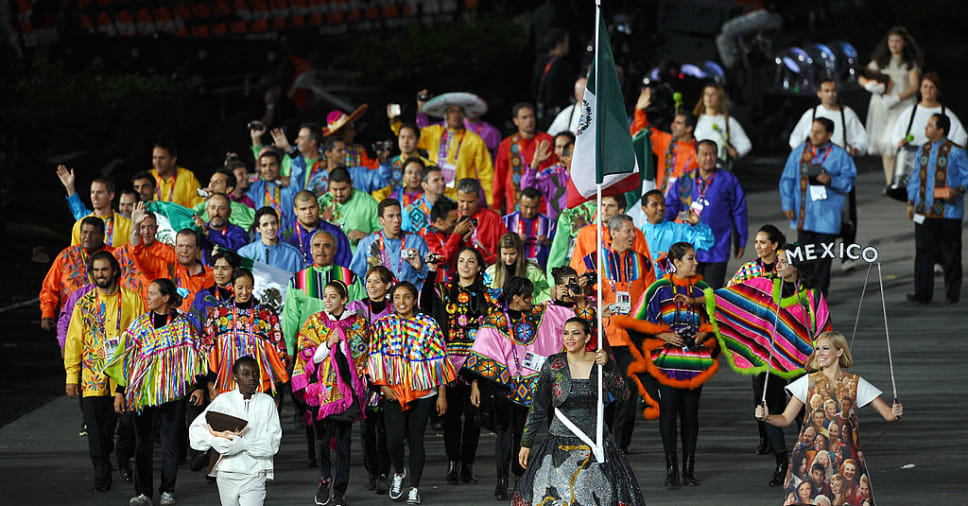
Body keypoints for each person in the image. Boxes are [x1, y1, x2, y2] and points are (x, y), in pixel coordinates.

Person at [716, 244, 832, 487]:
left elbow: (823, 328)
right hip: (772, 362)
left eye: (782, 261)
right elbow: (735, 297)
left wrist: (817, 354)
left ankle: (809, 460)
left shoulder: (811, 293)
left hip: (803, 363)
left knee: (804, 413)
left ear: (795, 266)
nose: (776, 266)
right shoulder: (766, 287)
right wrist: (701, 297)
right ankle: (781, 462)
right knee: (768, 409)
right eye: (777, 261)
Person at [755, 331, 904, 506]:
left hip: (846, 462)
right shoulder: (807, 382)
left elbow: (889, 415)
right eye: (817, 349)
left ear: (840, 352)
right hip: (808, 462)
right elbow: (785, 419)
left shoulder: (855, 383)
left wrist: (896, 412)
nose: (819, 353)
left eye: (826, 348)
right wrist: (766, 417)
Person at [464, 276, 576, 500]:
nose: (531, 300)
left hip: (531, 385)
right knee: (504, 433)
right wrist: (476, 384)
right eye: (527, 297)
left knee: (524, 435)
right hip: (503, 386)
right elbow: (481, 352)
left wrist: (573, 300)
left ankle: (519, 478)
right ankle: (501, 479)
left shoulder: (537, 314)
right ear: (515, 298)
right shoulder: (495, 320)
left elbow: (567, 317)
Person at [513, 318, 646, 506]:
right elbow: (538, 407)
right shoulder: (553, 365)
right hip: (558, 447)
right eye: (566, 333)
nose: (569, 338)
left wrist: (609, 366)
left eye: (576, 333)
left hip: (596, 443)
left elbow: (623, 394)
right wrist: (526, 443)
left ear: (587, 337)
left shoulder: (601, 363)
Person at [619, 242, 719, 488]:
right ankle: (671, 468)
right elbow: (635, 323)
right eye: (690, 259)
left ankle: (689, 467)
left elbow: (719, 320)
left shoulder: (703, 290)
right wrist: (663, 336)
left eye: (695, 259)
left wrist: (703, 336)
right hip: (666, 365)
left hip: (694, 363)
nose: (695, 263)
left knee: (690, 416)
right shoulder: (659, 289)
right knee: (668, 414)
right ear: (676, 263)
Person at [104, 278, 209, 506]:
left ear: (166, 298)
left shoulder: (183, 326)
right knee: (143, 444)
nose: (147, 296)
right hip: (143, 396)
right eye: (148, 292)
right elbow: (126, 362)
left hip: (173, 395)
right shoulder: (139, 326)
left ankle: (167, 491)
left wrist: (198, 386)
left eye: (152, 293)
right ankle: (143, 493)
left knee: (171, 444)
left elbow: (197, 358)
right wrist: (120, 392)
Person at [367, 282, 456, 505]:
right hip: (393, 392)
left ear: (414, 299)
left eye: (406, 297)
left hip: (423, 392)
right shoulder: (382, 325)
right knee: (394, 439)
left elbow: (439, 360)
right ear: (392, 300)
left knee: (416, 440)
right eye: (397, 297)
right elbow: (374, 357)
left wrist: (442, 395)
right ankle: (399, 473)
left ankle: (415, 487)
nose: (401, 302)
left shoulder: (429, 324)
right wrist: (383, 386)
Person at [573, 214, 656, 453]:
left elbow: (651, 296)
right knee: (603, 392)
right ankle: (603, 438)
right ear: (614, 233)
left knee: (628, 393)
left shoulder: (643, 262)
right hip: (604, 337)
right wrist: (596, 307)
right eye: (629, 231)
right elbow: (577, 293)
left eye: (633, 231)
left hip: (631, 338)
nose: (633, 235)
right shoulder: (593, 261)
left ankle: (620, 445)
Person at [64, 252, 144, 492]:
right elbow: (74, 340)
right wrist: (71, 375)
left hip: (125, 378)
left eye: (104, 270)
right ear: (91, 274)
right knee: (96, 431)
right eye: (96, 270)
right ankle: (101, 473)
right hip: (92, 377)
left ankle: (122, 458)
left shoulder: (132, 300)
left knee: (127, 426)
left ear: (115, 271)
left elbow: (142, 336)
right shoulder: (84, 303)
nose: (100, 275)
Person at [421, 247, 500, 485]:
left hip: (476, 363)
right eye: (461, 261)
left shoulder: (488, 296)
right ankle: (453, 463)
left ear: (479, 267)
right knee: (452, 417)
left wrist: (479, 375)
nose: (465, 265)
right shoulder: (443, 291)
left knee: (474, 417)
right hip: (448, 363)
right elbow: (425, 305)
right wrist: (431, 272)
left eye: (471, 261)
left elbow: (493, 332)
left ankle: (467, 466)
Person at [293, 281, 370, 506]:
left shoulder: (357, 322)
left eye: (333, 297)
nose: (328, 301)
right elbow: (307, 355)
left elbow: (361, 355)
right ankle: (325, 479)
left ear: (344, 299)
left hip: (346, 393)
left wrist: (343, 341)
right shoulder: (315, 321)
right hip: (320, 391)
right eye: (325, 296)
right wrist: (327, 344)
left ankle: (340, 489)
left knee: (344, 443)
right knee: (323, 440)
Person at [188, 356, 283, 506]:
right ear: (235, 377)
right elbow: (196, 429)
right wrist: (213, 440)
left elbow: (273, 441)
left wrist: (244, 445)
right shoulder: (223, 400)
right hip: (226, 472)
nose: (252, 378)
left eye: (255, 373)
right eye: (245, 374)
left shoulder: (267, 403)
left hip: (255, 473)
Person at [780, 118, 857, 296]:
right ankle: (803, 296)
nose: (813, 135)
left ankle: (820, 297)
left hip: (828, 218)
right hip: (805, 216)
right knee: (802, 259)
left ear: (829, 135)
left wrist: (831, 180)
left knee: (823, 260)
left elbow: (849, 181)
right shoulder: (800, 152)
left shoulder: (839, 155)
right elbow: (787, 179)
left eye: (819, 132)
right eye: (812, 131)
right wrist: (787, 203)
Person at [666, 139, 749, 289]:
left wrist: (741, 240)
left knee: (711, 293)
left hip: (717, 249)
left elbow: (739, 210)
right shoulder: (685, 181)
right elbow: (670, 208)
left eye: (712, 154)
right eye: (704, 154)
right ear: (696, 157)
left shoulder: (727, 179)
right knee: (688, 292)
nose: (709, 158)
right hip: (688, 250)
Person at [906, 113, 968, 304]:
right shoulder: (922, 150)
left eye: (930, 125)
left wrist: (956, 190)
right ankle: (922, 293)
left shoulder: (956, 151)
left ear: (940, 130)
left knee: (950, 252)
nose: (926, 128)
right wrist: (911, 202)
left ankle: (953, 291)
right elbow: (915, 177)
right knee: (923, 251)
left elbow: (967, 177)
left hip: (949, 211)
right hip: (924, 209)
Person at [202, 268, 289, 396]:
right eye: (240, 287)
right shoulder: (220, 314)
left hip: (260, 384)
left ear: (253, 287)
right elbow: (208, 347)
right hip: (227, 383)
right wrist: (211, 380)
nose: (244, 292)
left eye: (248, 287)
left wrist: (275, 387)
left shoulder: (265, 314)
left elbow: (278, 348)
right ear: (232, 287)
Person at [346, 266, 395, 494]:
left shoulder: (394, 309)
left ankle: (386, 471)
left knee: (386, 428)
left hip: (389, 377)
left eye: (378, 282)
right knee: (366, 428)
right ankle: (372, 472)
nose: (372, 286)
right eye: (369, 281)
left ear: (387, 286)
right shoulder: (356, 308)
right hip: (363, 378)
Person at [282, 230, 364, 355]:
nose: (321, 249)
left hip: (343, 348)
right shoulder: (298, 280)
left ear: (334, 250)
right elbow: (290, 319)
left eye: (327, 246)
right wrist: (289, 351)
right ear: (310, 250)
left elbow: (360, 313)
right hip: (308, 349)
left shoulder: (349, 277)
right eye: (317, 245)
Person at [858, 26, 923, 184]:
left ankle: (904, 180)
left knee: (900, 142)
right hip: (882, 106)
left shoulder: (909, 64)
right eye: (891, 41)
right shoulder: (879, 62)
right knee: (886, 144)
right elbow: (862, 76)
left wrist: (897, 97)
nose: (894, 44)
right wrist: (868, 85)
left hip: (902, 105)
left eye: (898, 41)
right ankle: (889, 182)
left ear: (904, 44)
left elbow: (914, 86)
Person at [410, 93, 495, 203]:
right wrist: (396, 122)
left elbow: (486, 174)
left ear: (464, 115)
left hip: (462, 199)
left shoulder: (474, 140)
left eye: (459, 111)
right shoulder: (434, 132)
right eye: (452, 111)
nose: (456, 115)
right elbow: (411, 137)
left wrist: (492, 202)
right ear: (446, 115)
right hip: (434, 195)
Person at [129, 206, 215, 313]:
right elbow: (138, 251)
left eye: (189, 246)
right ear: (175, 247)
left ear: (198, 249)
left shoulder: (212, 275)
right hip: (170, 327)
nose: (184, 250)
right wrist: (135, 226)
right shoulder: (163, 268)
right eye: (181, 246)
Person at [40, 216, 110, 331]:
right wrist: (47, 313)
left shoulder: (114, 256)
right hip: (71, 322)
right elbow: (49, 286)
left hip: (105, 322)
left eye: (93, 233)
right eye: (84, 232)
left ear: (103, 236)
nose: (87, 237)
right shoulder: (66, 255)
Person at [351, 198, 430, 290]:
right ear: (381, 220)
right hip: (379, 300)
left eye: (399, 215)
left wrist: (419, 268)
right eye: (391, 216)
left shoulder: (416, 241)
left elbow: (429, 275)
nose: (397, 220)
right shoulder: (367, 243)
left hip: (409, 300)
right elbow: (355, 278)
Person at [631, 87, 700, 192]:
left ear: (689, 128)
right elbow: (644, 130)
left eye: (679, 123)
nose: (673, 125)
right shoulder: (666, 141)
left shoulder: (699, 151)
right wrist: (639, 110)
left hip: (686, 199)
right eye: (674, 122)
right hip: (662, 199)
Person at [493, 102, 556, 214]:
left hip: (544, 207)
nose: (529, 120)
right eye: (524, 117)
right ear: (515, 121)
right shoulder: (507, 144)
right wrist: (496, 205)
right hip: (515, 207)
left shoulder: (548, 141)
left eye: (531, 116)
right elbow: (499, 178)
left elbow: (558, 172)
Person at [638, 189, 714, 279]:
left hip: (673, 287)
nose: (660, 208)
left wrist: (697, 224)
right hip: (645, 288)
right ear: (644, 208)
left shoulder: (680, 230)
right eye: (655, 205)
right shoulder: (638, 234)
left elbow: (707, 242)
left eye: (662, 204)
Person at [568, 194, 652, 275]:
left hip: (627, 286)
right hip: (595, 287)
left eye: (610, 206)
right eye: (603, 205)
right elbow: (575, 266)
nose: (604, 210)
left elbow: (646, 268)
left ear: (620, 210)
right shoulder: (586, 233)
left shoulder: (634, 233)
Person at [892, 73, 968, 152]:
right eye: (925, 86)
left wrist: (948, 149)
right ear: (920, 89)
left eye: (932, 87)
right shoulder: (910, 112)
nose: (928, 90)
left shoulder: (945, 113)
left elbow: (961, 137)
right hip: (911, 159)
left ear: (937, 91)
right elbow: (896, 134)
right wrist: (899, 142)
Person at [56, 168, 133, 247]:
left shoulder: (127, 225)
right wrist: (70, 187)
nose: (95, 197)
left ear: (111, 196)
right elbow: (75, 256)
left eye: (99, 192)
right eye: (92, 192)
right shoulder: (79, 225)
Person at [318, 167, 381, 253]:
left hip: (358, 260)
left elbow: (386, 234)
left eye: (343, 189)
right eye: (334, 189)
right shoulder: (321, 203)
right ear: (329, 186)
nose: (339, 194)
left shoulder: (368, 203)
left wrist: (366, 236)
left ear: (351, 183)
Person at [305, 136, 392, 197]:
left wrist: (383, 161)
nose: (345, 153)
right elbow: (309, 203)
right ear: (328, 153)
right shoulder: (318, 180)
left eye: (344, 150)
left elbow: (382, 180)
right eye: (339, 151)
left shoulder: (359, 174)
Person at [286, 190, 352, 268]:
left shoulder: (335, 233)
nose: (308, 212)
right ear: (295, 211)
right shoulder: (284, 234)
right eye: (303, 209)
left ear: (318, 206)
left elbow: (345, 266)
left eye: (312, 207)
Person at [692, 83, 752, 166]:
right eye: (706, 94)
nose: (709, 97)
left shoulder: (728, 121)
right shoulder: (694, 119)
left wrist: (736, 153)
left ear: (720, 98)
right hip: (694, 168)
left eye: (713, 94)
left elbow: (745, 144)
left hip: (718, 169)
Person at [520, 131, 574, 221]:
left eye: (566, 147)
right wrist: (535, 162)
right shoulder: (551, 174)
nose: (564, 151)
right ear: (555, 151)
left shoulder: (586, 173)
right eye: (559, 147)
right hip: (556, 230)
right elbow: (527, 188)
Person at [373, 122, 433, 203]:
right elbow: (378, 192)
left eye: (410, 137)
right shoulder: (388, 165)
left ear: (418, 140)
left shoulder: (428, 166)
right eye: (402, 137)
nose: (405, 141)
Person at [484, 233, 552, 304]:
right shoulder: (490, 272)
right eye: (505, 254)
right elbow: (485, 298)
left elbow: (544, 296)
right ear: (499, 253)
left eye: (512, 254)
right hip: (498, 313)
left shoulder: (533, 271)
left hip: (528, 312)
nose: (508, 258)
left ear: (519, 252)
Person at [455, 178, 509, 265]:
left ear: (479, 198)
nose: (465, 206)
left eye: (470, 202)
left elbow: (505, 249)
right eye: (461, 201)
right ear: (457, 196)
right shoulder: (451, 218)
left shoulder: (493, 218)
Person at [246, 149, 306, 226]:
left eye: (272, 164)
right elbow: (238, 185)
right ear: (260, 169)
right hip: (263, 237)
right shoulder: (256, 188)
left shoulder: (290, 187)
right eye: (264, 165)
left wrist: (289, 149)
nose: (268, 169)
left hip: (289, 236)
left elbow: (299, 170)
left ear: (280, 166)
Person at [238, 207, 305, 274]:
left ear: (278, 224)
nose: (270, 228)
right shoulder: (245, 253)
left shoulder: (293, 254)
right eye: (265, 225)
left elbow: (302, 281)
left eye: (273, 223)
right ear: (258, 229)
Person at [502, 187, 556, 269]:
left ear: (538, 205)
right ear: (519, 204)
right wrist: (514, 241)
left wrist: (547, 242)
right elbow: (498, 245)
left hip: (540, 268)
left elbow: (557, 247)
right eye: (526, 207)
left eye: (533, 207)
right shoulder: (506, 221)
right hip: (513, 269)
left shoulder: (549, 223)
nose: (529, 211)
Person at [420, 198, 471, 283]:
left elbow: (466, 257)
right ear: (439, 221)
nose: (456, 225)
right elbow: (438, 258)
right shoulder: (426, 234)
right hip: (435, 289)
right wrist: (456, 234)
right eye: (453, 221)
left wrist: (465, 239)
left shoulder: (449, 233)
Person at [188, 249, 241, 330]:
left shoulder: (243, 297)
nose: (219, 272)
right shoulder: (202, 297)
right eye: (216, 268)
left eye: (225, 268)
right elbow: (193, 328)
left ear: (235, 270)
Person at [532, 28, 574, 129]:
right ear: (560, 44)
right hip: (558, 115)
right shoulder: (561, 65)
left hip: (540, 114)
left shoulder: (540, 62)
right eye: (566, 41)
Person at [194, 193, 249, 266]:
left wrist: (208, 233)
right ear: (207, 210)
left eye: (221, 208)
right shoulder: (198, 232)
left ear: (229, 212)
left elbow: (237, 249)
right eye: (213, 208)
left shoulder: (239, 232)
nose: (216, 213)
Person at [192, 168, 256, 231]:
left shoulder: (240, 209)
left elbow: (247, 223)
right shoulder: (200, 207)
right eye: (211, 181)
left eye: (218, 182)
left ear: (229, 189)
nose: (211, 185)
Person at [150, 142, 204, 208]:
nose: (157, 162)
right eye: (154, 158)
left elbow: (199, 207)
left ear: (173, 159)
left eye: (162, 158)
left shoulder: (189, 178)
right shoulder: (148, 177)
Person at [402, 165, 451, 236]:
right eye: (436, 180)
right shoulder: (410, 211)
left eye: (442, 179)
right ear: (424, 185)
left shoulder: (452, 206)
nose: (442, 183)